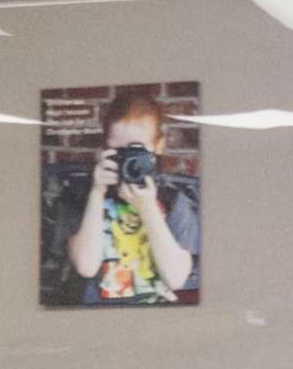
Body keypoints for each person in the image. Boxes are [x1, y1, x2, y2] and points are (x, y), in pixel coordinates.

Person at [65, 92, 197, 305]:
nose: (128, 159)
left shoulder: (173, 200)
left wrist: (148, 209)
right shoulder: (82, 196)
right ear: (104, 150)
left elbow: (176, 278)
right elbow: (86, 267)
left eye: (136, 150)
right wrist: (96, 193)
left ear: (158, 146)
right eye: (118, 151)